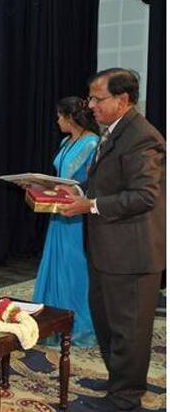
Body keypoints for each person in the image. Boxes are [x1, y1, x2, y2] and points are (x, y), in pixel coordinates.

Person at [60, 68, 165, 412]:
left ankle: (125, 399)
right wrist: (76, 193)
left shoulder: (142, 136)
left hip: (131, 254)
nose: (90, 105)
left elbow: (144, 195)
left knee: (128, 331)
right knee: (107, 322)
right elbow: (109, 183)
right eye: (90, 98)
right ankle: (118, 382)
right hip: (108, 250)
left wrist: (90, 205)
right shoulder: (113, 131)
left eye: (97, 98)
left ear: (122, 99)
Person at [32, 96, 100, 347]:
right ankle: (52, 320)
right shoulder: (65, 141)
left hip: (77, 215)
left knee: (74, 267)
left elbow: (93, 182)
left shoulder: (92, 143)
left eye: (60, 116)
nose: (57, 120)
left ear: (71, 117)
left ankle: (77, 324)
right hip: (58, 212)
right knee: (56, 264)